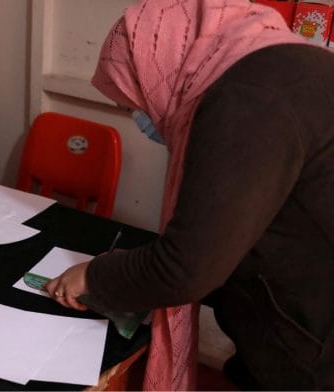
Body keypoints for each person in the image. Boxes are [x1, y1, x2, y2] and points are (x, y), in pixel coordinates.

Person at [44, 0, 334, 389]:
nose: (142, 117)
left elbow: (186, 269)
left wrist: (94, 275)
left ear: (158, 66)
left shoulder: (248, 99)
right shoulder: (286, 65)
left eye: (134, 101)